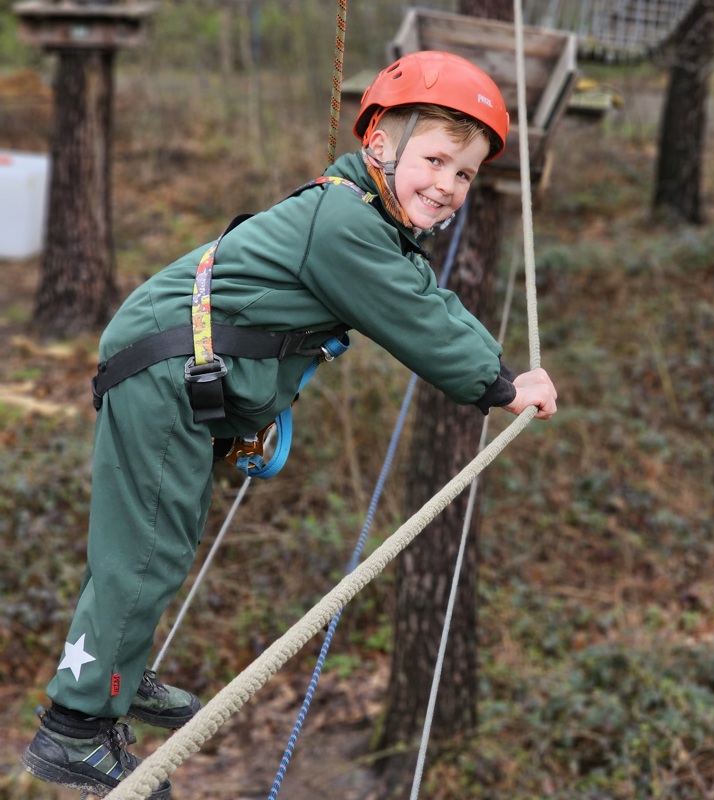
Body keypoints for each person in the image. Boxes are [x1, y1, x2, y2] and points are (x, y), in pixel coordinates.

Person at [22, 50, 558, 798]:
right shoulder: (346, 220)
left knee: (155, 542)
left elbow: (390, 295)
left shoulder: (362, 216)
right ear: (379, 146)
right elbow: (418, 314)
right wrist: (500, 383)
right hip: (161, 372)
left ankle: (117, 673)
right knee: (144, 547)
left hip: (172, 373)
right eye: (435, 160)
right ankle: (74, 731)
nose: (447, 185)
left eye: (464, 174)